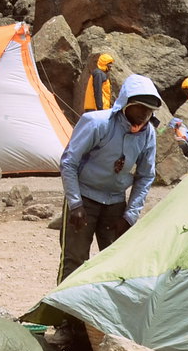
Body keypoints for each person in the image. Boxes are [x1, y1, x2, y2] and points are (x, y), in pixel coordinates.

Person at [56, 74, 163, 315]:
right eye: (140, 108)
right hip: (84, 199)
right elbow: (69, 162)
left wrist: (130, 215)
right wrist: (75, 204)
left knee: (116, 263)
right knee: (74, 261)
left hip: (115, 204)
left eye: (149, 111)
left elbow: (146, 175)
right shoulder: (97, 123)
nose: (144, 115)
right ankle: (66, 320)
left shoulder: (148, 135)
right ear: (126, 103)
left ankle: (107, 320)